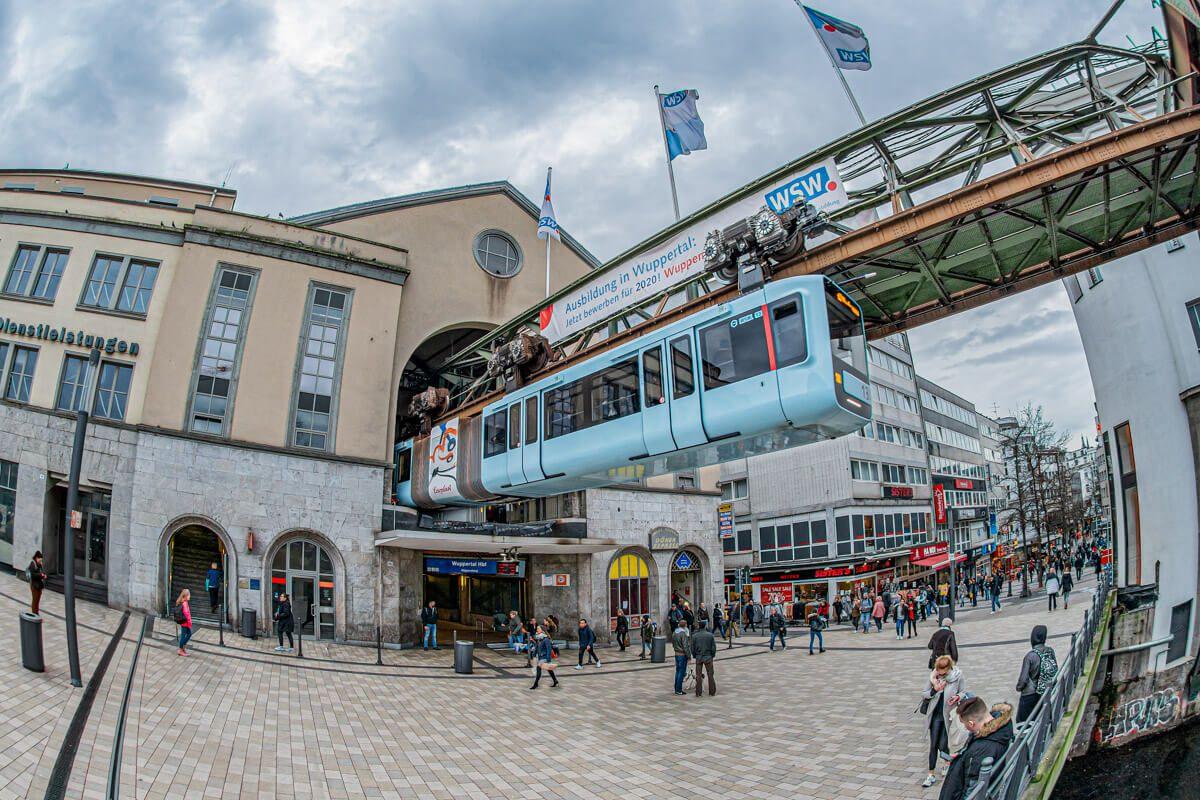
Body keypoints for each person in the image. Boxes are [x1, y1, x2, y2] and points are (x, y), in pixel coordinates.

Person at [938, 697, 1014, 800]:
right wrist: (963, 754)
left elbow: (971, 792)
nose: (965, 728)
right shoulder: (1000, 729)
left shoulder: (980, 749)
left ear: (971, 723)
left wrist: (969, 755)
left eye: (965, 724)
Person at [921, 655, 968, 789]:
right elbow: (924, 694)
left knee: (944, 744)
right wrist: (935, 689)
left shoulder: (957, 676)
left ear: (949, 668)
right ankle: (930, 774)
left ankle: (947, 763)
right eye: (938, 670)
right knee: (934, 745)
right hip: (935, 716)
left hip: (949, 716)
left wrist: (957, 697)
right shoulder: (933, 677)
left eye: (943, 671)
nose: (940, 674)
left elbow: (963, 692)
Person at [1015, 624, 1058, 723]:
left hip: (1030, 694)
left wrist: (1019, 688)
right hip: (1044, 692)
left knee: (1023, 722)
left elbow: (1023, 679)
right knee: (1042, 720)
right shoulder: (1050, 651)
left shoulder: (1030, 656)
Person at [689, 621, 717, 696]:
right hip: (708, 656)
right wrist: (712, 655)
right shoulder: (710, 635)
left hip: (699, 656)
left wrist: (695, 655)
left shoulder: (695, 636)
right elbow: (713, 647)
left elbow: (692, 648)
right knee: (710, 675)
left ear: (699, 626)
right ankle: (712, 692)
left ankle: (698, 692)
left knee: (698, 675)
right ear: (705, 626)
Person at [671, 618, 691, 695]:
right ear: (685, 625)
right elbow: (685, 646)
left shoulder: (674, 632)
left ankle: (676, 687)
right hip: (682, 654)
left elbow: (673, 643)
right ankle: (678, 689)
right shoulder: (683, 634)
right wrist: (689, 656)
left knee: (678, 671)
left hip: (676, 653)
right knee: (681, 672)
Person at [174, 588, 193, 657]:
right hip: (185, 622)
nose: (190, 596)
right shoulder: (185, 603)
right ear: (186, 596)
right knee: (185, 635)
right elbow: (187, 614)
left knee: (188, 634)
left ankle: (182, 648)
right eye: (189, 595)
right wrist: (189, 623)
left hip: (184, 622)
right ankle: (180, 649)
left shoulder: (184, 602)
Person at [27, 550, 46, 615]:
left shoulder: (39, 564)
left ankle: (36, 613)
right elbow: (33, 575)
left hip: (39, 585)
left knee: (37, 600)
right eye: (40, 560)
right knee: (35, 601)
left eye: (41, 560)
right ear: (36, 558)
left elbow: (41, 573)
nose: (41, 561)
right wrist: (41, 575)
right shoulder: (33, 564)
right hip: (34, 585)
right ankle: (34, 614)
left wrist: (43, 575)